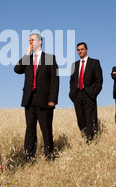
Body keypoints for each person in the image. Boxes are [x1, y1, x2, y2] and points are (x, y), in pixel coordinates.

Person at [14, 33, 59, 161]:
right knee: (30, 129)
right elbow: (17, 69)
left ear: (40, 41)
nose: (31, 42)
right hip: (29, 99)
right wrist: (26, 54)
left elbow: (55, 81)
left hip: (45, 99)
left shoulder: (50, 58)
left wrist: (53, 99)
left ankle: (50, 156)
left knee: (46, 128)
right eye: (29, 41)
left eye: (33, 40)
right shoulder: (28, 58)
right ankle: (29, 157)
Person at [69, 42, 103, 142]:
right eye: (78, 50)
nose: (80, 51)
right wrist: (72, 94)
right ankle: (85, 136)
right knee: (80, 118)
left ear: (86, 49)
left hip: (89, 94)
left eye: (82, 49)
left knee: (90, 118)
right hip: (77, 95)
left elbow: (99, 80)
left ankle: (91, 140)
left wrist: (94, 93)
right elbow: (71, 81)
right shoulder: (74, 65)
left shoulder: (94, 62)